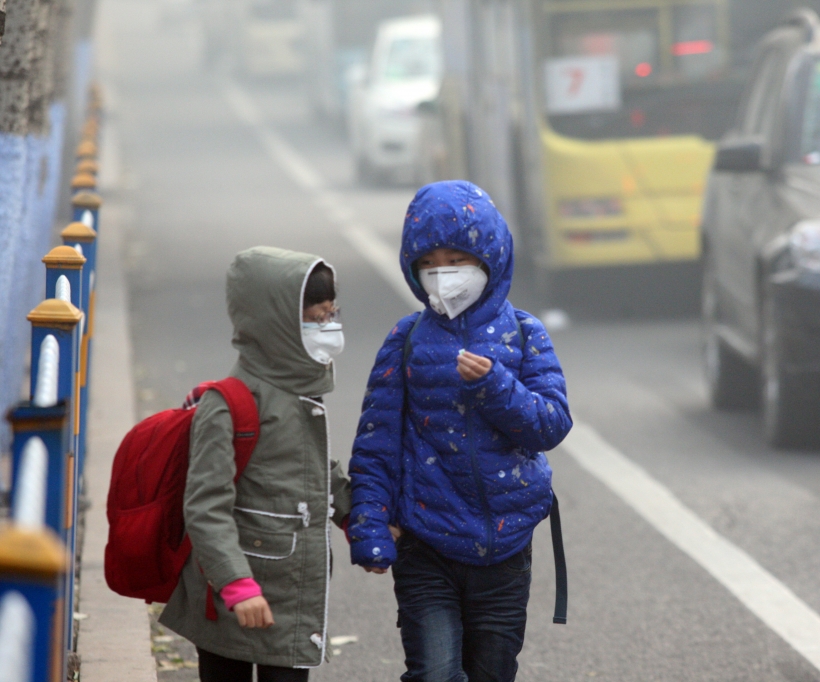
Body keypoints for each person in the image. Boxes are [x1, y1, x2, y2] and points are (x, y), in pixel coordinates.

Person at [348, 181, 573, 682]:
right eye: (432, 262)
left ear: (490, 257)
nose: (445, 273)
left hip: (506, 549)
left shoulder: (525, 333)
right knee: (435, 672)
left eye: (458, 259)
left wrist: (495, 384)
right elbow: (376, 441)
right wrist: (368, 522)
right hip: (426, 547)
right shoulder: (405, 341)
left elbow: (551, 423)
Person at [159, 247, 351, 682]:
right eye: (316, 318)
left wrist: (355, 512)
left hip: (292, 592)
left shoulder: (301, 389)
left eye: (332, 313)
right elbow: (206, 506)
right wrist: (236, 585)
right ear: (276, 324)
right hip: (234, 596)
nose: (329, 327)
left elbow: (314, 465)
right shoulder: (227, 404)